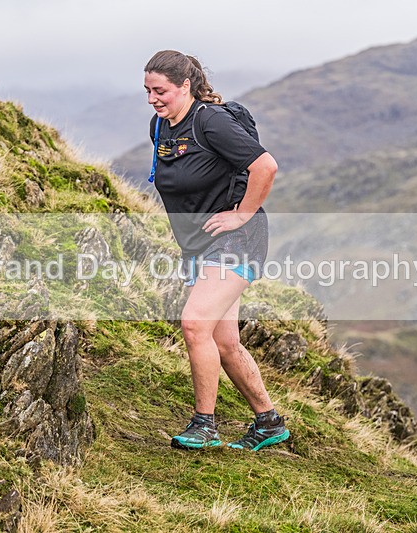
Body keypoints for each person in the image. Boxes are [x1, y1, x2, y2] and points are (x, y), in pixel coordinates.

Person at [143, 50, 289, 451]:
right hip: (201, 244)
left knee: (194, 323)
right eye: (148, 91)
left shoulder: (210, 120)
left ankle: (204, 426)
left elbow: (265, 165)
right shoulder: (161, 126)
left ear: (186, 86)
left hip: (237, 238)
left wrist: (241, 215)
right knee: (225, 343)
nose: (154, 99)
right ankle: (269, 421)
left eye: (162, 91)